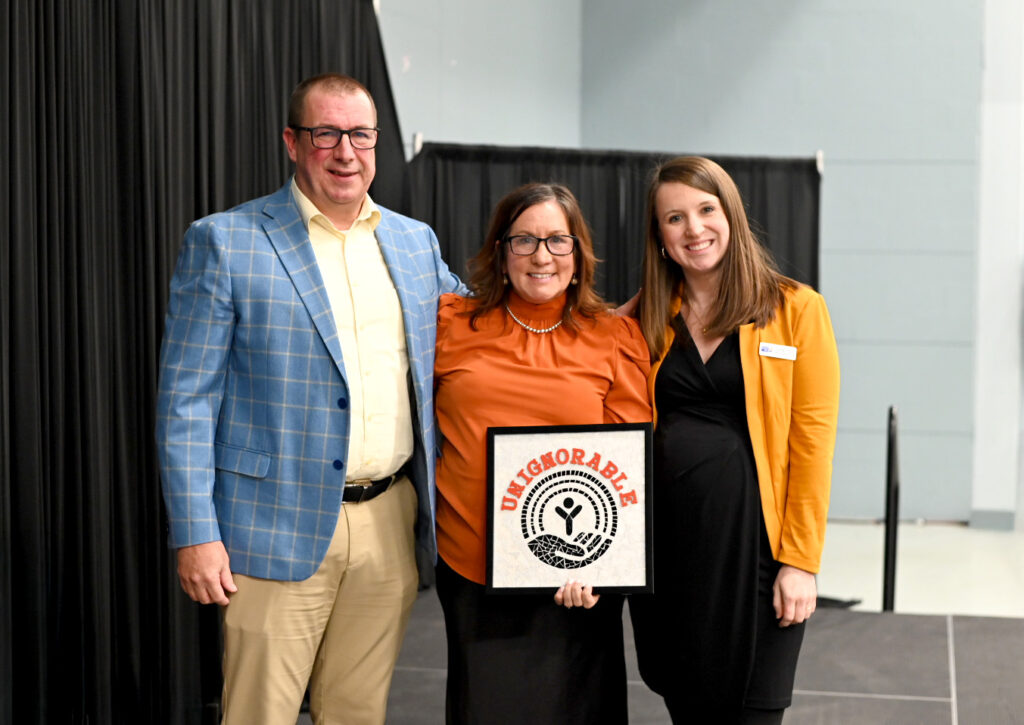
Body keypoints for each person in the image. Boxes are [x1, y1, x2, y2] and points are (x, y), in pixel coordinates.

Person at [155, 73, 463, 724]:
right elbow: (185, 400)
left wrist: (603, 321)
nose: (345, 151)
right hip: (269, 527)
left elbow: (483, 331)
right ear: (293, 143)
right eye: (327, 134)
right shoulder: (227, 241)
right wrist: (196, 533)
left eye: (360, 134)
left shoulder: (414, 242)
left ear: (377, 144)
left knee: (356, 711)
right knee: (259, 714)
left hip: (388, 522)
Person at [629, 157, 840, 723]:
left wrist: (800, 562)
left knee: (754, 710)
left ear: (731, 215)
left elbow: (812, 442)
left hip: (759, 559)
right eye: (675, 218)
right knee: (688, 709)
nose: (693, 229)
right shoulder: (643, 317)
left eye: (705, 210)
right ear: (660, 236)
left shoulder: (796, 309)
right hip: (669, 555)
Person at [432, 183, 652, 724]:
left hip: (577, 579)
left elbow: (630, 463)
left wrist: (598, 567)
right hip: (474, 572)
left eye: (558, 240)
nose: (540, 255)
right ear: (500, 254)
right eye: (524, 239)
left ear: (578, 258)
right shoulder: (449, 324)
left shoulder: (615, 337)